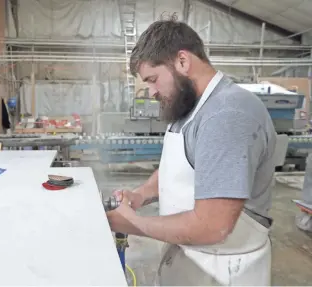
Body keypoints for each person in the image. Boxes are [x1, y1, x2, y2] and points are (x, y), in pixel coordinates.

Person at [106, 16, 277, 286]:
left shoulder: (226, 115)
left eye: (152, 79)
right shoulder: (189, 107)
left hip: (222, 271)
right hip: (193, 257)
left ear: (182, 62)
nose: (150, 92)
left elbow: (212, 226)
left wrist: (132, 223)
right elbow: (179, 168)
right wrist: (141, 195)